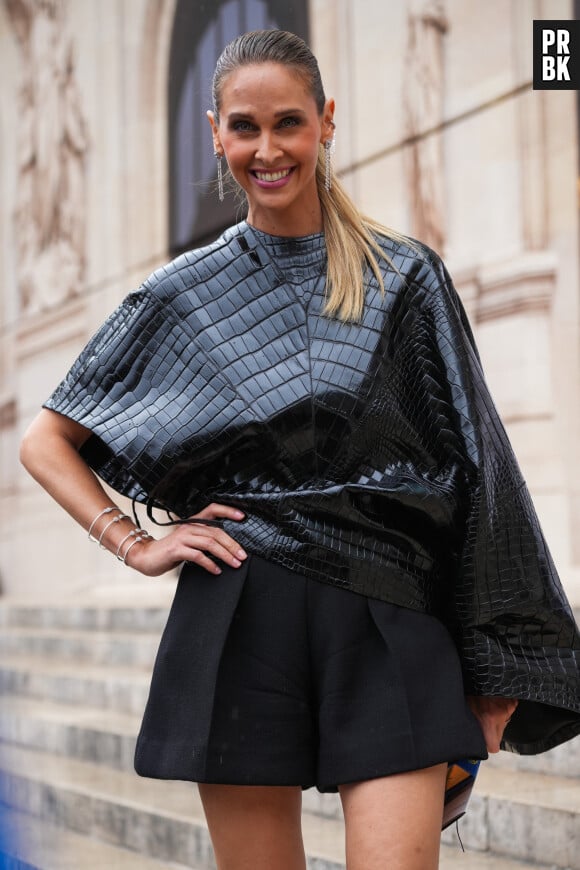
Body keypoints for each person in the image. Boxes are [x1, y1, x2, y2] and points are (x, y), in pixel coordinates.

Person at [20, 29, 580, 870]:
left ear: (325, 122)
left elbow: (479, 466)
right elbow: (46, 439)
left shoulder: (406, 275)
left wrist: (496, 658)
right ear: (215, 132)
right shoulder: (182, 293)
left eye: (288, 122)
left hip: (393, 613)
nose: (268, 148)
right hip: (243, 610)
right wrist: (133, 541)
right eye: (245, 127)